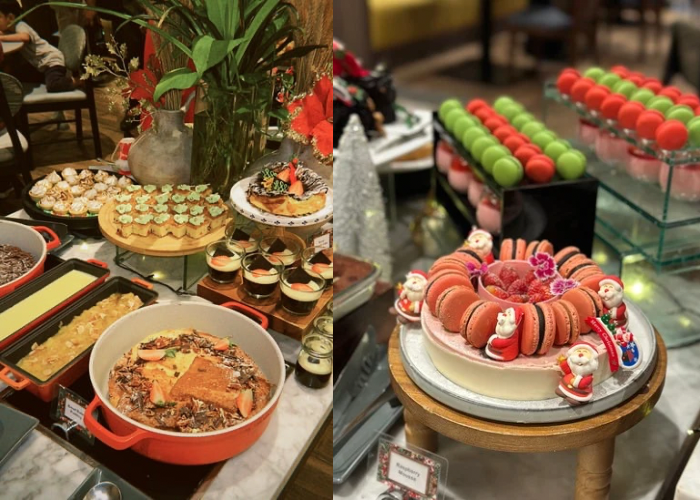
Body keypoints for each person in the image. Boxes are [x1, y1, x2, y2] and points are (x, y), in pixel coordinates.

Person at [0, 0, 77, 92]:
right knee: (15, 77)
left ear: (10, 17)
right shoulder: (10, 29)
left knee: (53, 85)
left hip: (51, 60)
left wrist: (2, 37)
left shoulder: (20, 25)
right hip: (40, 65)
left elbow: (25, 37)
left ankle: (76, 81)